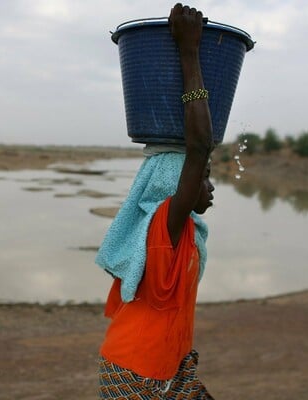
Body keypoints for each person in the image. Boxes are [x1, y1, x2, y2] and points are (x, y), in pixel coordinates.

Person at [95, 3, 216, 399]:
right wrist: (189, 53)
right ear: (175, 183)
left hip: (171, 364)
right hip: (137, 374)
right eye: (205, 178)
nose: (211, 187)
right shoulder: (166, 227)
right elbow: (198, 147)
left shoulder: (184, 232)